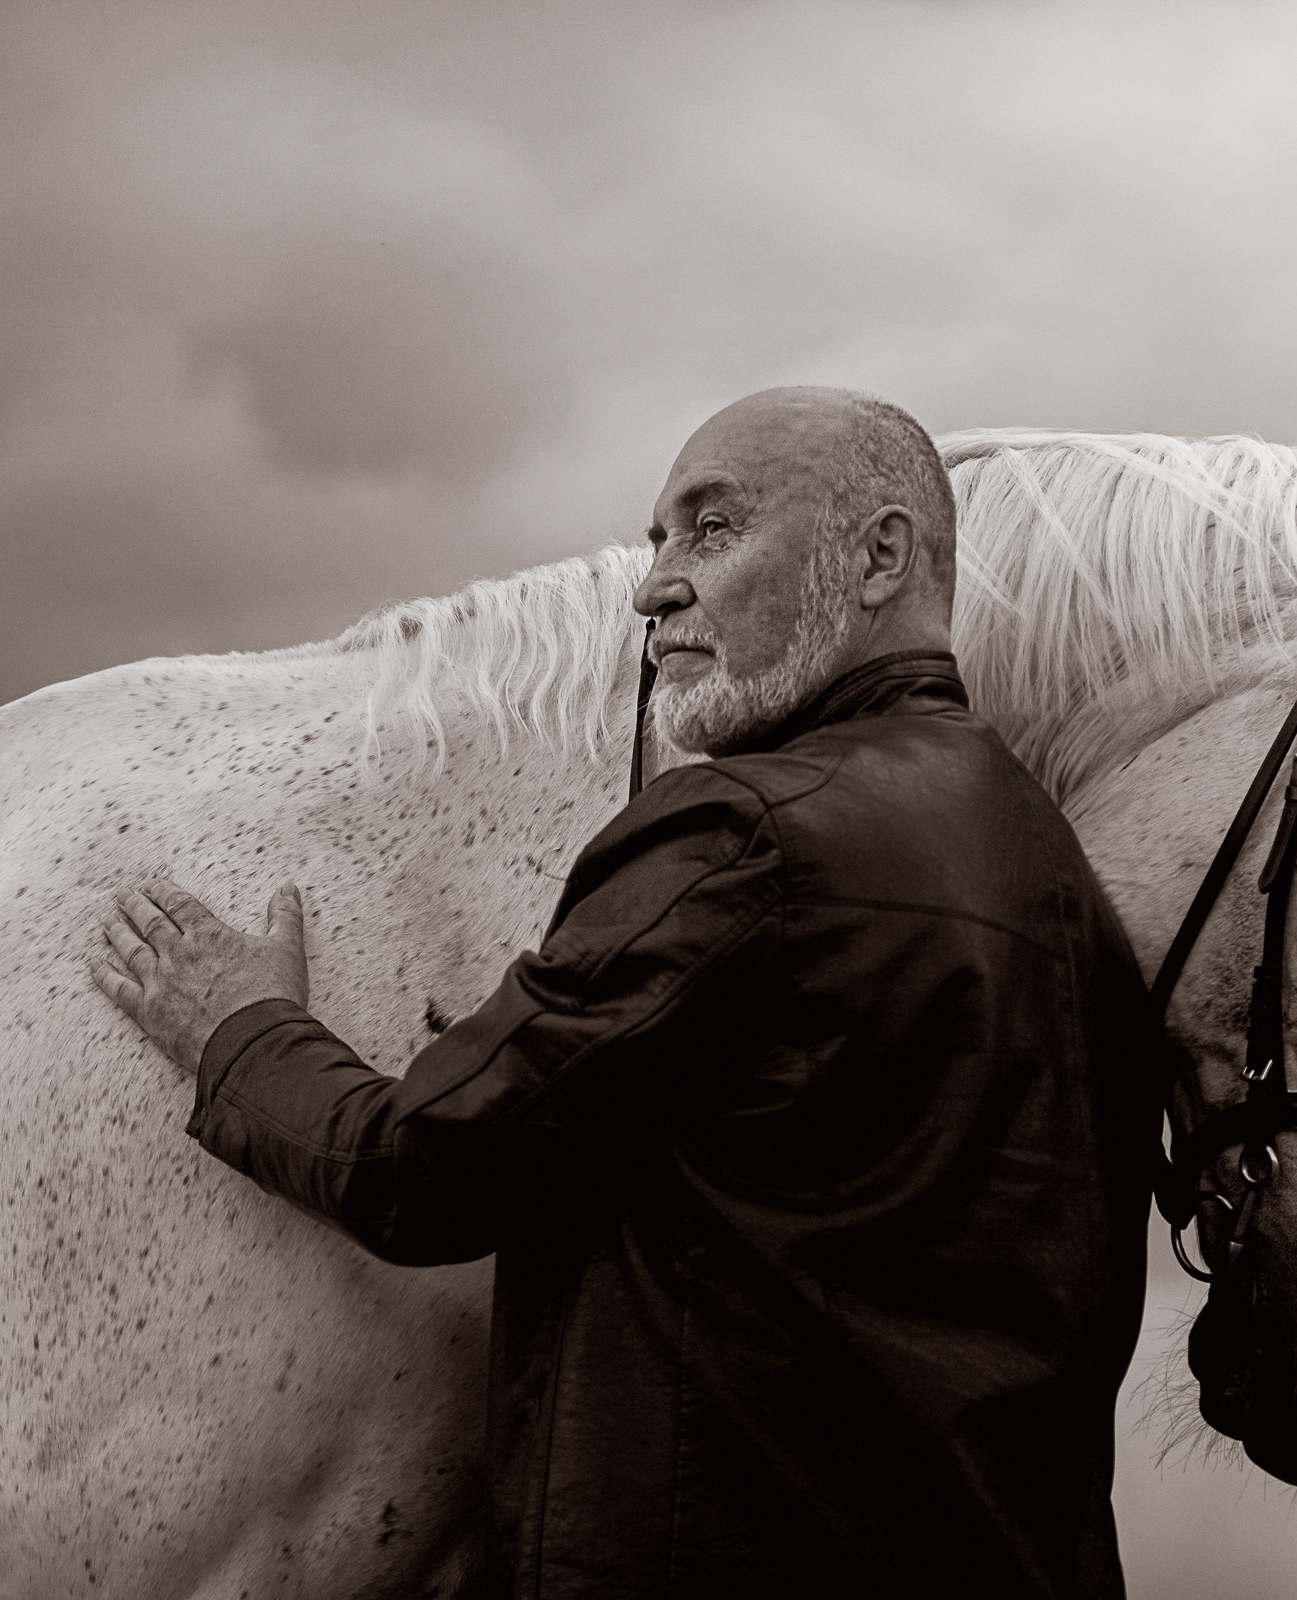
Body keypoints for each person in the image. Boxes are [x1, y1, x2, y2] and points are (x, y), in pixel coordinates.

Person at [94, 387, 1157, 1598]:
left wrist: (237, 1029)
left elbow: (418, 1169)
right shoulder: (1065, 881)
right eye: (657, 542)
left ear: (879, 557)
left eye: (711, 530)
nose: (652, 587)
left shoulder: (749, 836)